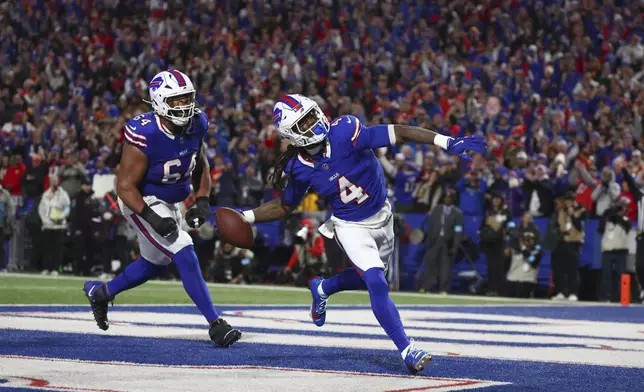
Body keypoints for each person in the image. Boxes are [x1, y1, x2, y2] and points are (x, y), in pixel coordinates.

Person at [227, 94, 486, 374]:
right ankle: (407, 349)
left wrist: (445, 141)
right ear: (293, 134)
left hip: (381, 215)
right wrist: (247, 217)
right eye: (305, 122)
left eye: (313, 115)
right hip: (349, 225)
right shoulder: (297, 167)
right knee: (376, 282)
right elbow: (286, 205)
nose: (315, 123)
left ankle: (323, 287)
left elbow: (398, 132)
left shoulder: (345, 131)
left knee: (374, 277)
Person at [82, 70, 241, 347]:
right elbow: (125, 186)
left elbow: (200, 162)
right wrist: (151, 217)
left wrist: (202, 199)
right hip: (143, 201)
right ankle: (216, 324)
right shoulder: (145, 131)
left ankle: (101, 293)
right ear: (159, 102)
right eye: (176, 101)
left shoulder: (198, 122)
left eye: (186, 99)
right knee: (184, 249)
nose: (184, 106)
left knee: (153, 264)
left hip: (173, 200)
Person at [417, 190, 464, 294]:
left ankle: (443, 288)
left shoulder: (457, 213)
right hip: (435, 241)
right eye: (446, 197)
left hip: (448, 242)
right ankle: (427, 287)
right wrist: (429, 240)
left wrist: (455, 245)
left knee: (445, 266)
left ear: (453, 199)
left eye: (450, 197)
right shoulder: (437, 210)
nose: (447, 199)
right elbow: (431, 225)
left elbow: (458, 231)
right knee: (431, 264)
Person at [38, 174, 71, 276]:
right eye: (52, 181)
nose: (54, 182)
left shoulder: (63, 194)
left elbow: (67, 207)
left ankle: (55, 268)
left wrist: (61, 217)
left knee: (56, 248)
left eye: (56, 181)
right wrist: (45, 220)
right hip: (47, 225)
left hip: (58, 225)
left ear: (58, 181)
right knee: (46, 248)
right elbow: (41, 209)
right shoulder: (45, 194)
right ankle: (46, 267)